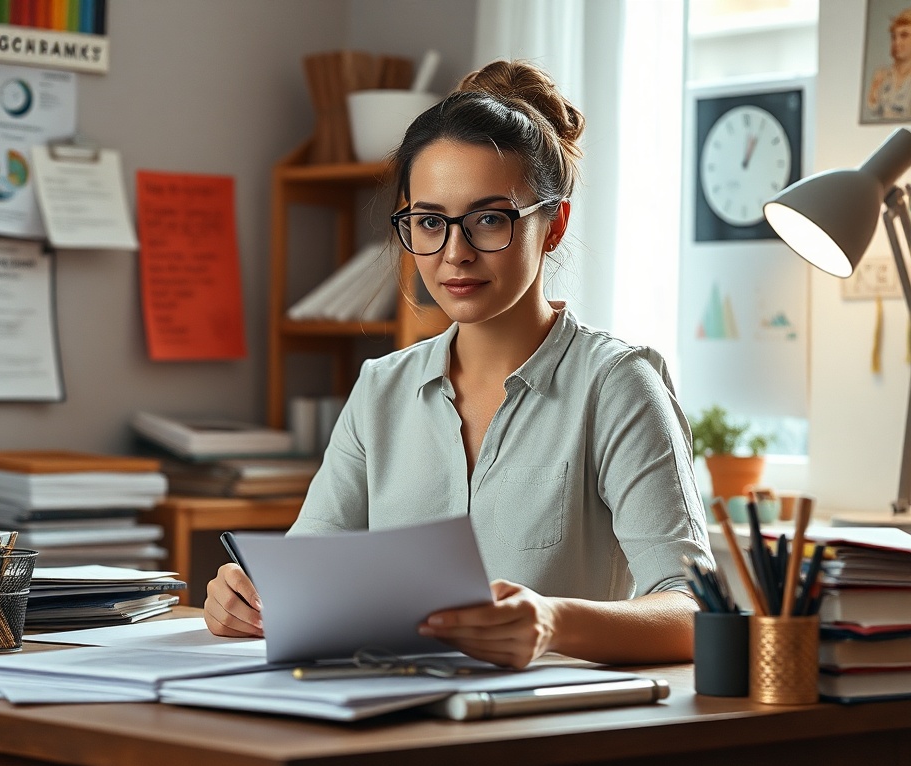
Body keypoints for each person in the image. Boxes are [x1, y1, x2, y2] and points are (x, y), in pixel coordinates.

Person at [205, 59, 712, 669]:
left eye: (490, 219)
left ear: (554, 226)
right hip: (389, 720)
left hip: (548, 730)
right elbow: (304, 580)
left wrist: (552, 622)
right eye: (429, 222)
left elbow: (694, 611)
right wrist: (248, 598)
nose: (455, 253)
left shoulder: (617, 385)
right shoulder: (381, 391)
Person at [866, 7, 911, 121]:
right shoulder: (882, 75)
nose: (897, 42)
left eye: (904, 35)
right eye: (894, 36)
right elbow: (873, 108)